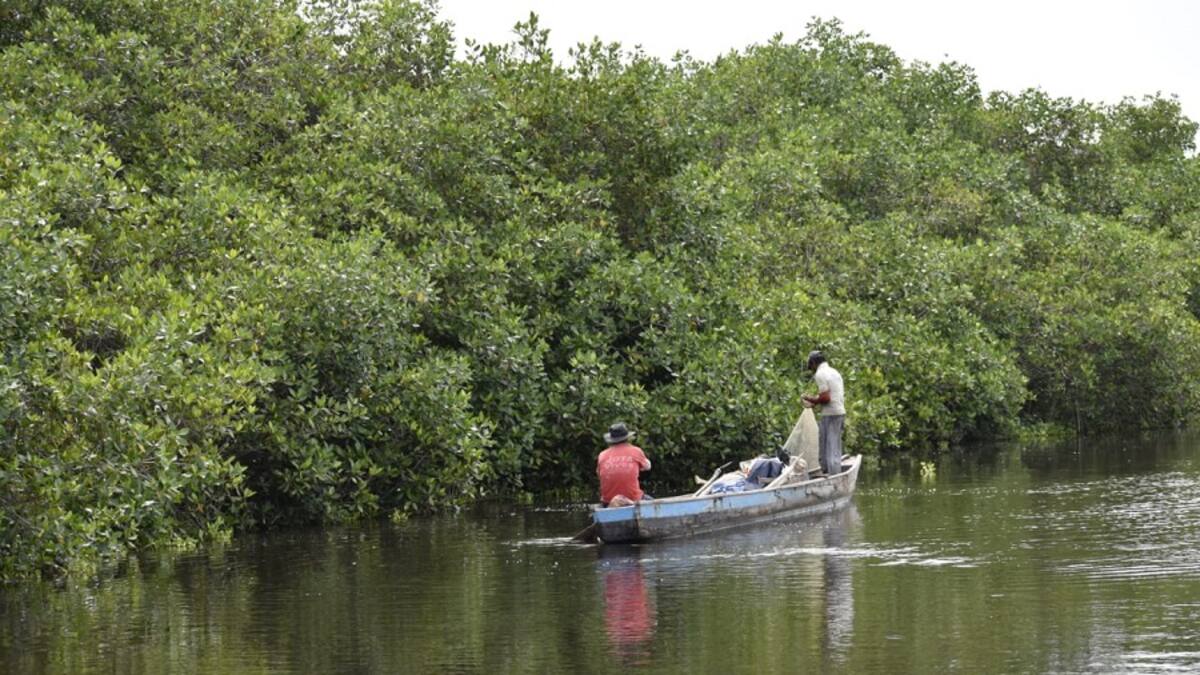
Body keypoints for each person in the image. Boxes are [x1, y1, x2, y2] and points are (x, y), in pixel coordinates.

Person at [802, 351, 845, 476]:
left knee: (830, 448)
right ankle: (828, 472)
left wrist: (810, 399)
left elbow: (826, 398)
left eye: (811, 365)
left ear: (814, 363)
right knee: (831, 446)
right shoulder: (834, 372)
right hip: (838, 412)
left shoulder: (820, 374)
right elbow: (831, 396)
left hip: (831, 414)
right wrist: (814, 402)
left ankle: (833, 475)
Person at [597, 422, 651, 506]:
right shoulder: (636, 451)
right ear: (627, 438)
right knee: (651, 501)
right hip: (633, 498)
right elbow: (648, 467)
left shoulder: (602, 455)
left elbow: (599, 474)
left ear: (611, 440)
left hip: (607, 502)